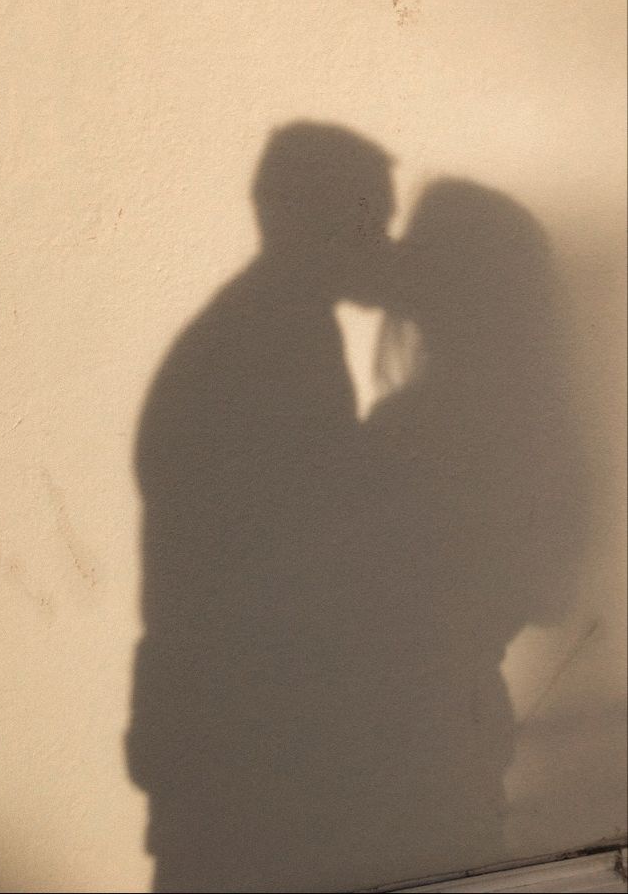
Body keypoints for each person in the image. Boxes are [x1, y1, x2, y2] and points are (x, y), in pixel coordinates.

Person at [126, 121, 396, 893]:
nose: (383, 240)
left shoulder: (259, 332)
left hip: (219, 746)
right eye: (367, 218)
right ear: (298, 216)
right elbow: (303, 556)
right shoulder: (272, 347)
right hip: (248, 754)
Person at [360, 179, 585, 877]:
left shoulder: (409, 428)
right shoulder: (536, 428)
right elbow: (543, 597)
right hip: (464, 724)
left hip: (399, 736)